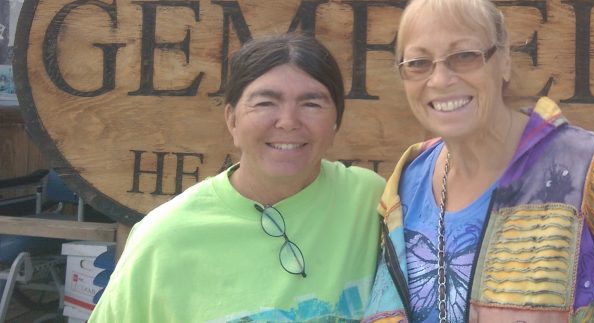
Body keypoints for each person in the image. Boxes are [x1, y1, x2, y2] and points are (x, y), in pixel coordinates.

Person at [362, 0, 594, 322]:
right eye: (419, 62)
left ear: (504, 60)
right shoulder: (407, 182)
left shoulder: (583, 168)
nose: (440, 79)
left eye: (464, 56)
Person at [91, 33, 385, 322]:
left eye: (311, 104)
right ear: (232, 120)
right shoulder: (165, 238)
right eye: (265, 103)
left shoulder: (369, 200)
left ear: (335, 122)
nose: (288, 122)